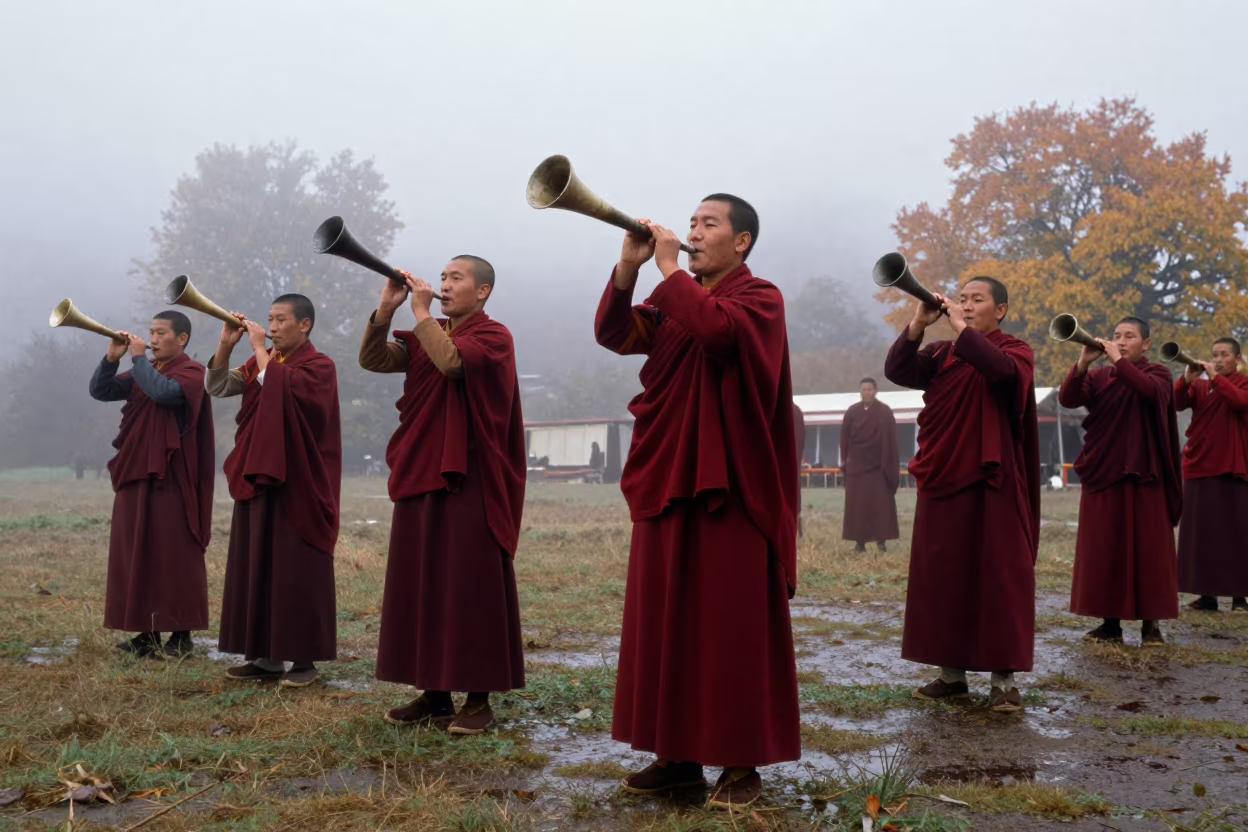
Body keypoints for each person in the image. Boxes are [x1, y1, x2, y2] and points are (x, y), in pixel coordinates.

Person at [594, 195, 799, 810]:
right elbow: (613, 334)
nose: (692, 233)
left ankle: (740, 763)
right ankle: (676, 756)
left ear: (741, 243)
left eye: (708, 224)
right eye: (691, 223)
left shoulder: (759, 298)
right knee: (668, 617)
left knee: (728, 623)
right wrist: (629, 271)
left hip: (730, 485)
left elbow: (716, 333)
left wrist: (668, 272)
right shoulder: (672, 297)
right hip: (667, 475)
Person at [359, 258, 526, 734]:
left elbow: (452, 363)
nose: (446, 285)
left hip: (470, 479)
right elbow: (372, 360)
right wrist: (386, 310)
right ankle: (433, 694)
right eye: (444, 277)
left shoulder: (494, 337)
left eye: (457, 279)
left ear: (484, 291)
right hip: (421, 470)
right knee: (424, 583)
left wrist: (421, 313)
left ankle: (478, 698)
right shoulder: (425, 337)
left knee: (467, 587)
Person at [884, 277, 1039, 712]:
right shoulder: (939, 354)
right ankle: (951, 676)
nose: (966, 306)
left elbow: (1003, 375)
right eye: (962, 299)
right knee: (943, 576)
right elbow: (897, 370)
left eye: (977, 300)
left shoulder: (1016, 350)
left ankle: (1003, 680)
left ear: (1000, 310)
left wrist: (962, 330)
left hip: (993, 479)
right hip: (942, 473)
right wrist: (918, 323)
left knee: (999, 577)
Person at [206, 294, 341, 687]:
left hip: (299, 482)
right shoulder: (262, 362)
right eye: (270, 319)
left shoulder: (319, 366)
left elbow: (284, 389)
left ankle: (303, 662)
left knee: (294, 569)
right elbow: (219, 386)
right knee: (259, 563)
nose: (273, 327)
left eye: (281, 320)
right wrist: (226, 346)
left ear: (305, 325)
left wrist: (259, 348)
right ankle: (265, 657)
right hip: (259, 477)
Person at [89, 312, 213, 659]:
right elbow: (102, 391)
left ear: (182, 339)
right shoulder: (147, 370)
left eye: (161, 333)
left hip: (172, 479)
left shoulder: (191, 372)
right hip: (136, 473)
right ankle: (148, 632)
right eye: (151, 333)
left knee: (173, 554)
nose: (153, 338)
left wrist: (139, 357)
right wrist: (112, 359)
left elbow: (163, 394)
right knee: (138, 551)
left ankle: (182, 634)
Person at [1059, 317, 1181, 645]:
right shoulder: (1100, 376)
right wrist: (1083, 362)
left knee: (1149, 550)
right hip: (1104, 470)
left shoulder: (1159, 374)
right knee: (1105, 549)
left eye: (1130, 336)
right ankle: (1109, 623)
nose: (1122, 341)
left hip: (1145, 473)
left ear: (1146, 344)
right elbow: (1068, 399)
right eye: (1116, 336)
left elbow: (1146, 391)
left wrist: (1117, 359)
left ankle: (1150, 624)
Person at [1174, 338, 1248, 613]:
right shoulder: (1202, 386)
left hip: (1233, 466)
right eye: (1214, 355)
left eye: (1224, 355)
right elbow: (1176, 403)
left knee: (1237, 533)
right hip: (1199, 465)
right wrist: (1185, 379)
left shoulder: (1242, 384)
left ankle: (1240, 596)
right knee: (1202, 535)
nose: (1217, 360)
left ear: (1237, 359)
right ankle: (1207, 595)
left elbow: (1240, 403)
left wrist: (1216, 378)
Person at [840, 377, 900, 552]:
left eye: (869, 389)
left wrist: (889, 464)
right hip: (858, 465)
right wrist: (845, 460)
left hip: (878, 466)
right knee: (858, 505)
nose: (866, 393)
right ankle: (860, 543)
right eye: (863, 390)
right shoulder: (852, 412)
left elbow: (891, 440)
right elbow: (844, 438)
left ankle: (881, 541)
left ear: (876, 391)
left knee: (880, 504)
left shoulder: (885, 412)